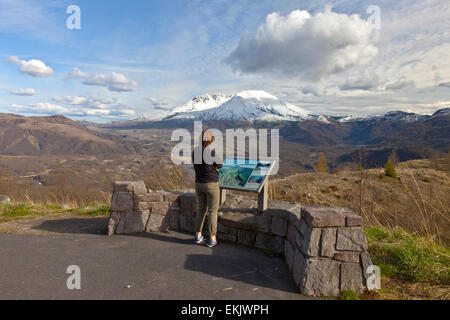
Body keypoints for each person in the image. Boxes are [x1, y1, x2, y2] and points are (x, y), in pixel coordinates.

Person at [192, 129, 222, 248]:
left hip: (199, 183)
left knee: (201, 209)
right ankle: (212, 239)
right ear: (210, 140)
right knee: (212, 211)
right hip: (211, 184)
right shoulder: (211, 152)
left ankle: (198, 235)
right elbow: (220, 165)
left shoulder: (195, 152)